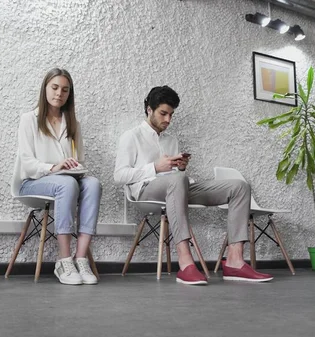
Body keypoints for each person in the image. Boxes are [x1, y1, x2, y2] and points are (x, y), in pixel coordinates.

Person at [114, 85, 273, 285]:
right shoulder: (131, 136)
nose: (168, 120)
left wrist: (179, 168)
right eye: (163, 113)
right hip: (147, 192)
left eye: (171, 114)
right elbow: (119, 176)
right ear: (149, 110)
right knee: (177, 180)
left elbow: (174, 178)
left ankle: (235, 260)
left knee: (239, 187)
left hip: (176, 187)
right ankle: (185, 261)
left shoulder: (171, 140)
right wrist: (155, 167)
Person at [15, 68, 102, 285]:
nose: (59, 94)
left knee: (93, 184)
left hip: (67, 180)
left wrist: (73, 165)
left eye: (65, 90)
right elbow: (27, 163)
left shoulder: (73, 124)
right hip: (32, 183)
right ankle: (63, 260)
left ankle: (80, 258)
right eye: (54, 88)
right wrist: (55, 167)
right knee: (66, 184)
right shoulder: (29, 119)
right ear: (45, 88)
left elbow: (80, 158)